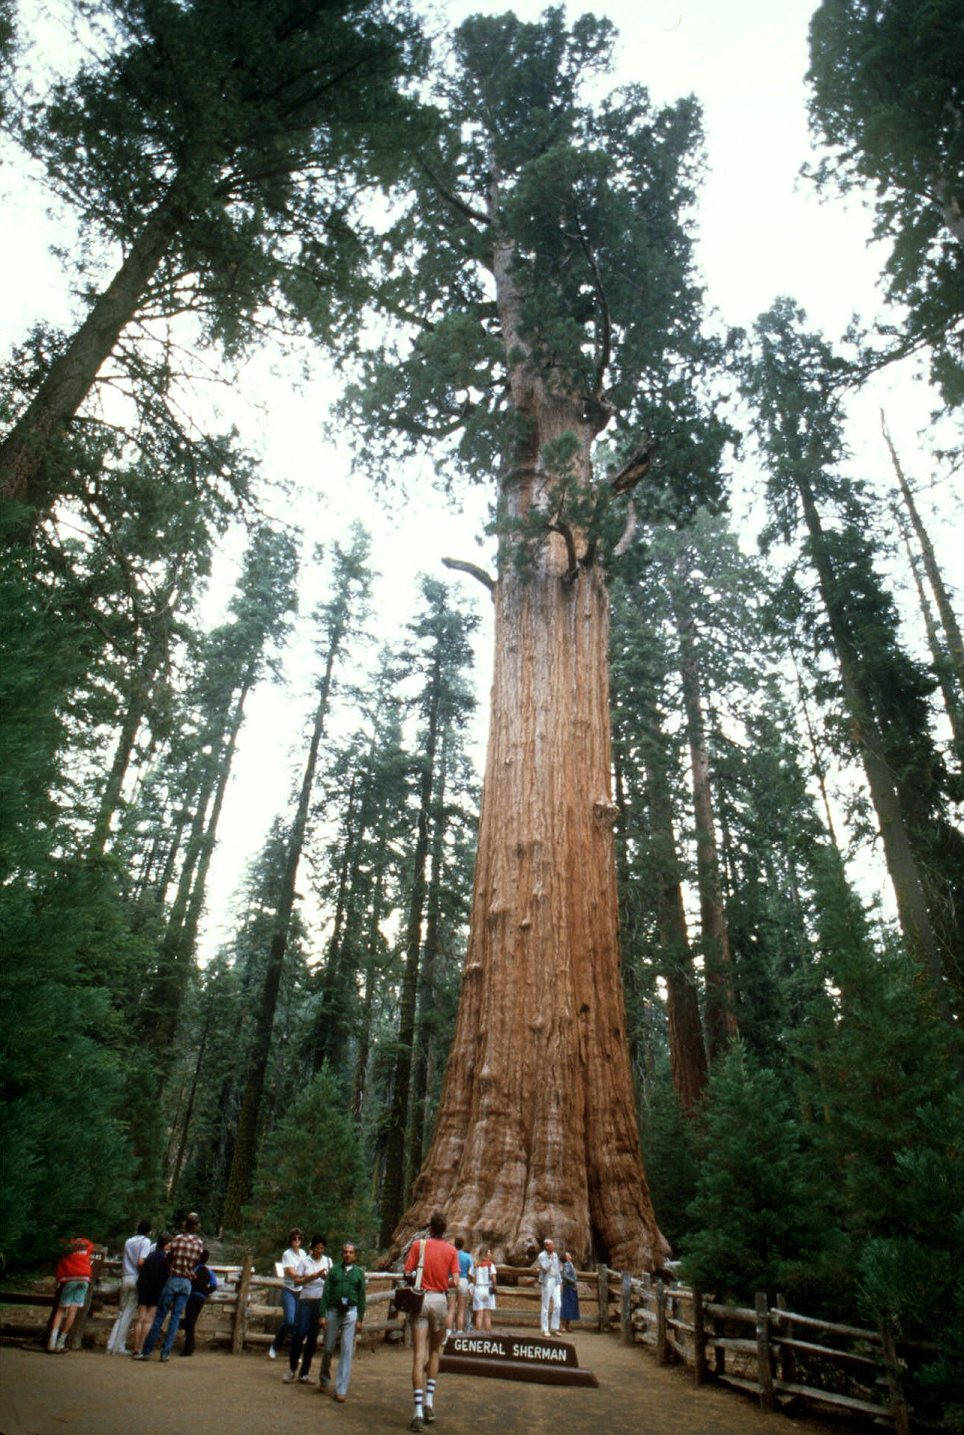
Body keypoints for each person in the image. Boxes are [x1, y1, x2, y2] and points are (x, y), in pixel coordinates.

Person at [404, 1210, 458, 1431]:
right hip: (439, 1300)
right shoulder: (452, 1250)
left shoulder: (419, 1246)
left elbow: (406, 1272)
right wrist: (443, 1282)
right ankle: (429, 1403)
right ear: (445, 1230)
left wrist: (420, 1277)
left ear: (430, 1227)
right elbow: (455, 1280)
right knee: (435, 1352)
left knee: (419, 1356)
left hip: (421, 1299)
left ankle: (417, 1411)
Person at [136, 1212, 204, 1361]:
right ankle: (165, 1353)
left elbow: (169, 1257)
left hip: (173, 1279)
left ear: (185, 1224)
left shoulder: (177, 1239)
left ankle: (147, 1351)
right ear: (197, 1226)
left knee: (160, 1315)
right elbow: (198, 1260)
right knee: (175, 1318)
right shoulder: (199, 1243)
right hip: (187, 1282)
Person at [319, 1240, 366, 1402]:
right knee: (328, 1348)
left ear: (355, 1255)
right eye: (345, 1252)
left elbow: (361, 1297)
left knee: (346, 1351)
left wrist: (360, 1318)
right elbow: (325, 1293)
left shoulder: (359, 1273)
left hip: (350, 1313)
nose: (348, 1254)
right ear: (342, 1253)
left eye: (351, 1252)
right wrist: (322, 1314)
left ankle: (341, 1389)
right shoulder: (334, 1271)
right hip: (333, 1311)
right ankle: (324, 1378)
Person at [284, 1235, 330, 1384]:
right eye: (317, 1248)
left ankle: (304, 1372)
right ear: (312, 1248)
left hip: (320, 1302)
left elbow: (330, 1281)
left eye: (322, 1248)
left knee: (312, 1338)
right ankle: (292, 1369)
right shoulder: (304, 1262)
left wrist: (325, 1279)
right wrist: (314, 1276)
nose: (319, 1251)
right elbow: (297, 1281)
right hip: (305, 1301)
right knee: (299, 1334)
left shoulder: (328, 1261)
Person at [107, 1220, 152, 1355]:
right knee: (128, 1314)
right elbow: (141, 1261)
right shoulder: (145, 1242)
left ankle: (111, 1344)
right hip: (136, 1277)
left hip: (125, 1276)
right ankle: (119, 1347)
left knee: (121, 1312)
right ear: (148, 1231)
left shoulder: (128, 1241)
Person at [47, 1236, 97, 1352]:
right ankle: (61, 1342)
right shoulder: (86, 1251)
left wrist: (58, 1280)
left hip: (70, 1280)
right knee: (73, 1311)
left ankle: (52, 1342)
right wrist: (80, 1239)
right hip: (84, 1279)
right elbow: (91, 1244)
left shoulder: (66, 1254)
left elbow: (59, 1271)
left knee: (61, 1310)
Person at [132, 1233, 170, 1356]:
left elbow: (143, 1272)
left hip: (144, 1288)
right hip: (156, 1290)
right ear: (166, 1244)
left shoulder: (150, 1255)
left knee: (140, 1318)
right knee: (148, 1320)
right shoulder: (165, 1259)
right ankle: (142, 1347)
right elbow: (165, 1276)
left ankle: (135, 1348)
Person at [269, 1228, 304, 1360]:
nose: (297, 1241)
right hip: (289, 1290)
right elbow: (292, 1273)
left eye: (299, 1238)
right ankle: (275, 1345)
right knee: (289, 1321)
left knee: (298, 1323)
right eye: (294, 1238)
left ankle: (295, 1351)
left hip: (301, 1291)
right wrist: (304, 1276)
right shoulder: (287, 1254)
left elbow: (306, 1269)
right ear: (290, 1240)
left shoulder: (303, 1254)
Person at [180, 1248, 217, 1356]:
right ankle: (189, 1346)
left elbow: (188, 1280)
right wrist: (205, 1292)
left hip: (192, 1296)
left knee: (189, 1321)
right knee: (192, 1321)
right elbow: (214, 1285)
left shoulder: (195, 1269)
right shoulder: (209, 1271)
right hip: (201, 1298)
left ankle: (189, 1347)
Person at [536, 1237, 562, 1337]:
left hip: (555, 1280)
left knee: (558, 1304)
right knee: (545, 1305)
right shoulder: (542, 1256)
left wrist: (560, 1282)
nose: (553, 1246)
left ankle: (555, 1327)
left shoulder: (555, 1255)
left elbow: (558, 1268)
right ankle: (545, 1329)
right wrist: (550, 1259)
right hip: (547, 1281)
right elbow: (545, 1267)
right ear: (547, 1246)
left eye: (553, 1244)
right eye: (551, 1245)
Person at [472, 1248, 497, 1332]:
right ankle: (488, 1335)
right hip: (487, 1288)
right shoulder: (491, 1265)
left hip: (478, 1289)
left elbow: (473, 1278)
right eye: (489, 1253)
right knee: (487, 1315)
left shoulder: (476, 1265)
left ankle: (478, 1335)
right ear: (485, 1254)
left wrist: (473, 1287)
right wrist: (494, 1287)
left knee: (479, 1315)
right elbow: (493, 1278)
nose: (490, 1254)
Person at [452, 1237, 473, 1333]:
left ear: (454, 1244)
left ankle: (448, 1333)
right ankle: (459, 1331)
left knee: (451, 1309)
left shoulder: (451, 1254)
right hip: (463, 1280)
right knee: (461, 1309)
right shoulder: (467, 1256)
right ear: (463, 1245)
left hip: (452, 1281)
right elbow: (471, 1271)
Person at [560, 1251, 580, 1332]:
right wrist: (573, 1281)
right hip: (568, 1287)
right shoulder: (567, 1265)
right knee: (566, 1306)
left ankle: (567, 1326)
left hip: (571, 1287)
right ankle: (563, 1326)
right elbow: (564, 1275)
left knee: (570, 1306)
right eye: (568, 1255)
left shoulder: (570, 1264)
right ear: (566, 1258)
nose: (570, 1256)